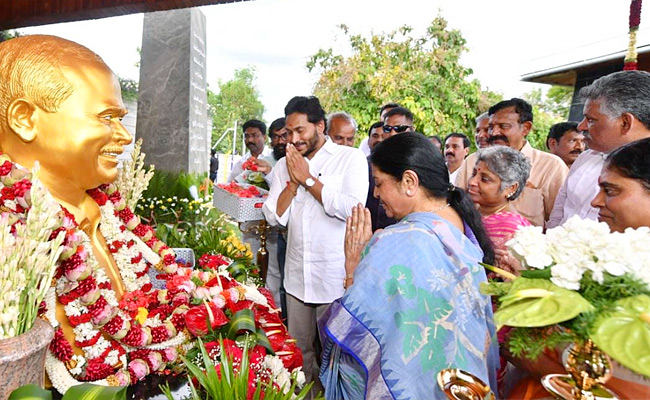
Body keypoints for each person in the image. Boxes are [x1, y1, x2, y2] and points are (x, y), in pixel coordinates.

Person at [0, 34, 188, 391]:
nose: (123, 136)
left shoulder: (106, 209)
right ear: (24, 119)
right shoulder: (9, 237)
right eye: (106, 117)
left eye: (120, 119)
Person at [319, 133, 498, 399]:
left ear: (409, 181)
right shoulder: (462, 228)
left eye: (379, 183)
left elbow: (354, 328)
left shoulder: (395, 241)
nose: (376, 193)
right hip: (461, 384)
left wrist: (352, 268)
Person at [262, 96, 368, 398]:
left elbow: (352, 208)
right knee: (299, 351)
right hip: (297, 275)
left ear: (320, 126)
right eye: (289, 132)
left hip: (334, 277)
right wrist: (293, 183)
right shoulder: (285, 164)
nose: (293, 139)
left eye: (300, 131)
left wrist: (307, 179)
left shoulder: (349, 159)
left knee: (336, 355)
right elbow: (273, 216)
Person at [548, 70, 650, 229]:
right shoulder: (586, 158)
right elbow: (560, 211)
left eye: (591, 120)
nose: (581, 127)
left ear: (625, 123)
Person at [456, 98, 568, 227]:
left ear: (526, 128)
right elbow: (458, 205)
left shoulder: (551, 166)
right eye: (491, 127)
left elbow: (558, 221)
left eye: (503, 126)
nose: (494, 133)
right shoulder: (472, 161)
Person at [467, 145, 531, 271]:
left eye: (485, 179)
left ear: (510, 188)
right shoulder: (468, 213)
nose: (472, 182)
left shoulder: (512, 228)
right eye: (474, 173)